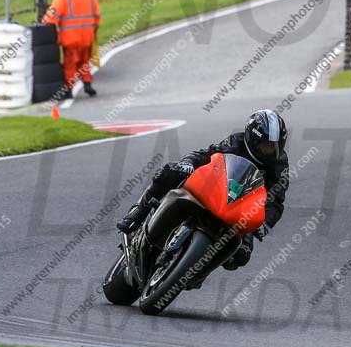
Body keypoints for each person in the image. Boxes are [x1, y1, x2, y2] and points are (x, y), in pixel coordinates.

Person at [117, 109, 289, 274]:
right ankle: (138, 213)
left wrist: (265, 223)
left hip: (242, 209)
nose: (271, 151)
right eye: (266, 145)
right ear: (252, 139)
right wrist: (189, 163)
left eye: (275, 146)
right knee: (169, 173)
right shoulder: (236, 142)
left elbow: (276, 201)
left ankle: (198, 272)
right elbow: (206, 155)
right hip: (215, 188)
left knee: (241, 255)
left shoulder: (279, 165)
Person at [42, 0, 101, 99]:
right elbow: (97, 17)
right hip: (86, 37)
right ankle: (87, 84)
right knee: (84, 62)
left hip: (70, 38)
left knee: (70, 65)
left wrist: (42, 22)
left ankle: (68, 90)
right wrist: (92, 31)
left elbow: (51, 17)